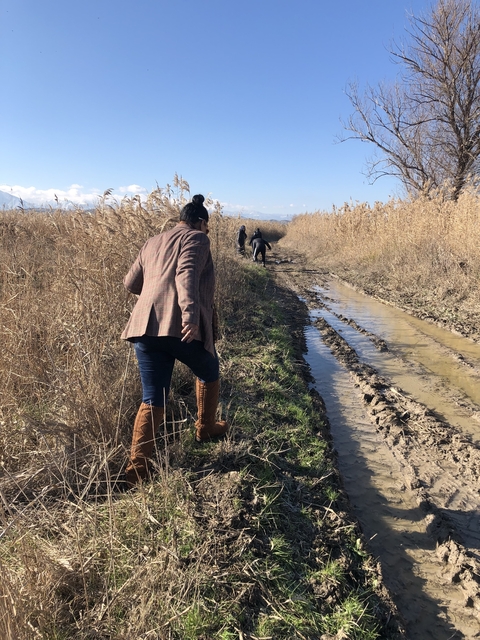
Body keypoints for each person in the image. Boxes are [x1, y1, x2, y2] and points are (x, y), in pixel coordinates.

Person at [121, 194, 228, 486]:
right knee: (209, 370)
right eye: (207, 227)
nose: (207, 233)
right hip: (179, 326)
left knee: (153, 396)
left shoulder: (153, 241)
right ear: (202, 222)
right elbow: (186, 273)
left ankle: (137, 472)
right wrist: (190, 316)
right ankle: (205, 428)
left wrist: (155, 290)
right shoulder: (197, 238)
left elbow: (130, 283)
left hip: (144, 327)